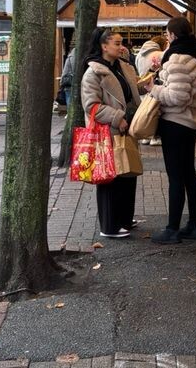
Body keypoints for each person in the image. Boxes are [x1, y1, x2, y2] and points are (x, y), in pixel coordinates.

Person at [80, 28, 144, 238]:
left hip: (127, 128)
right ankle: (110, 226)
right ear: (104, 46)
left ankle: (125, 218)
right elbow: (91, 106)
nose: (121, 46)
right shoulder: (93, 73)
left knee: (127, 173)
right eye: (116, 43)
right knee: (110, 179)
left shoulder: (123, 67)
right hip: (108, 131)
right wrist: (117, 117)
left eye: (121, 42)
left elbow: (131, 92)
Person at [149, 18, 196, 245]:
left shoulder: (178, 58)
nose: (166, 37)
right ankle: (193, 225)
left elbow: (177, 97)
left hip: (176, 123)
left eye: (167, 33)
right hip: (191, 122)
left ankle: (172, 229)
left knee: (176, 176)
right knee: (189, 174)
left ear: (173, 35)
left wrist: (153, 89)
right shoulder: (195, 54)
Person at [135, 35, 166, 147]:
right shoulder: (160, 54)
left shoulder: (139, 54)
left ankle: (145, 136)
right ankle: (155, 137)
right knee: (155, 111)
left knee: (145, 111)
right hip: (155, 85)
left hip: (142, 85)